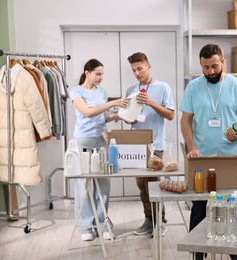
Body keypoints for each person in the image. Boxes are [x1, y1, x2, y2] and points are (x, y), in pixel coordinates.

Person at [179, 43, 237, 260]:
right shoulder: (193, 87)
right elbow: (185, 121)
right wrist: (191, 147)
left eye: (214, 66)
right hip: (201, 158)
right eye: (205, 68)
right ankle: (198, 255)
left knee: (231, 208)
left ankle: (236, 255)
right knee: (200, 208)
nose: (211, 72)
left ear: (223, 61)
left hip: (229, 159)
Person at [70, 58, 127, 241]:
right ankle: (86, 226)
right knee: (84, 185)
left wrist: (117, 115)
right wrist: (113, 103)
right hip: (84, 140)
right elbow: (87, 112)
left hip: (102, 139)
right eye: (98, 74)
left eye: (102, 74)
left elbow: (103, 117)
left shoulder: (101, 92)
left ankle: (103, 223)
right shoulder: (76, 91)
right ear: (87, 73)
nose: (101, 77)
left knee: (103, 184)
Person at [124, 52, 175, 236]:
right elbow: (129, 116)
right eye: (133, 70)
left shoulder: (163, 87)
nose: (137, 73)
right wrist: (129, 119)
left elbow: (170, 115)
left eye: (140, 68)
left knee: (153, 185)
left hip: (156, 145)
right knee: (141, 186)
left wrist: (151, 103)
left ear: (149, 66)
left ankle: (160, 222)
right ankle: (148, 220)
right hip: (136, 145)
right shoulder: (131, 90)